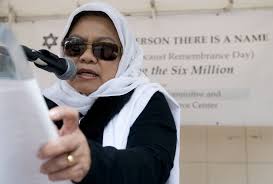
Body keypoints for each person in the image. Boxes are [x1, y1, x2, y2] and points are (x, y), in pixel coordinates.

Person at [39, 2, 180, 184]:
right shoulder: (44, 103)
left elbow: (151, 165)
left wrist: (91, 160)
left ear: (125, 58)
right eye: (75, 47)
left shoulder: (146, 100)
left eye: (104, 50)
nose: (86, 57)